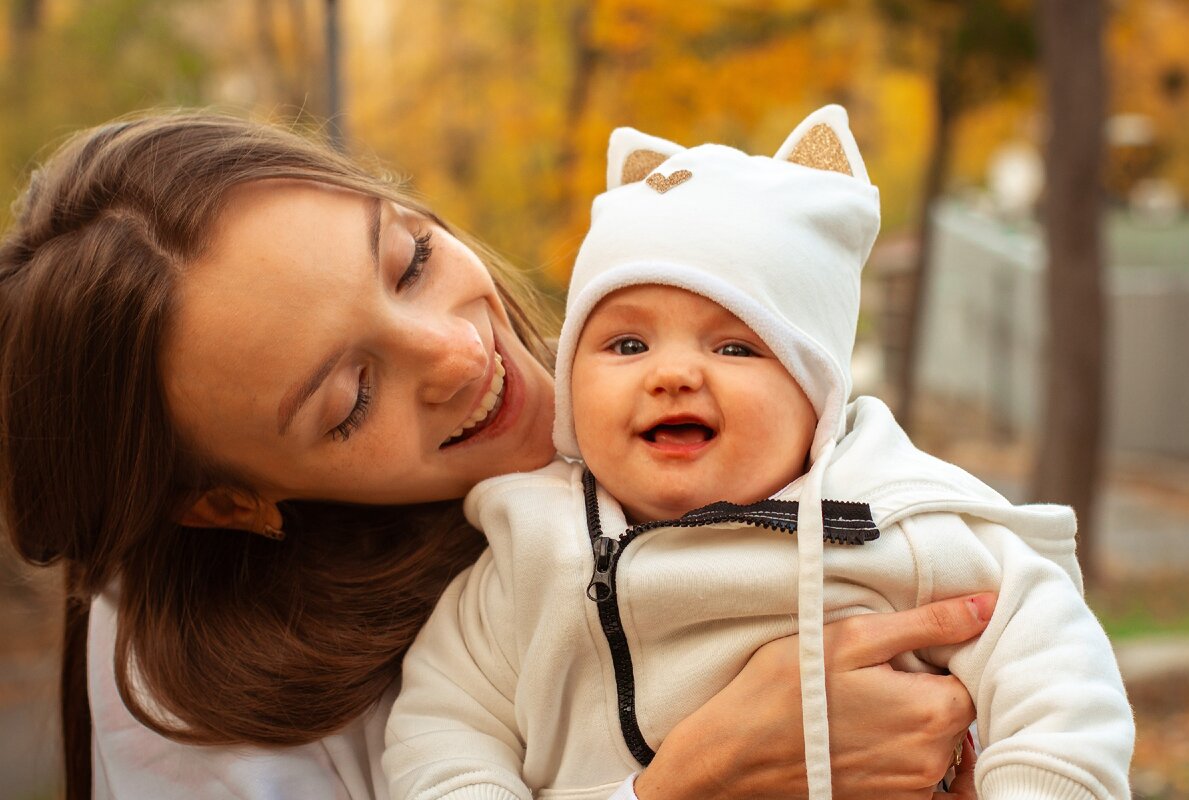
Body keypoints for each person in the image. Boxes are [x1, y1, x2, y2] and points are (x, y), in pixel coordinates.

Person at [0, 110, 989, 800]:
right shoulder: (195, 699)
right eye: (351, 398)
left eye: (412, 261)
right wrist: (694, 780)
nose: (459, 352)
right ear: (228, 502)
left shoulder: (684, 404)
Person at [383, 106, 1135, 800]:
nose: (672, 374)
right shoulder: (525, 555)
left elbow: (1056, 670)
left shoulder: (897, 520)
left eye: (736, 346)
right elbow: (444, 731)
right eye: (628, 344)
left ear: (819, 394)